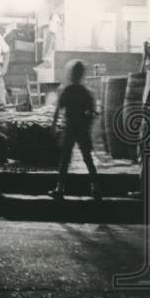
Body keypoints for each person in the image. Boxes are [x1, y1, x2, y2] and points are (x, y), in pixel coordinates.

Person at [48, 59, 101, 200]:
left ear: (71, 74)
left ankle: (60, 188)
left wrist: (53, 126)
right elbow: (92, 112)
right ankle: (96, 188)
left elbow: (58, 110)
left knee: (65, 159)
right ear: (82, 74)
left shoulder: (67, 90)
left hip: (70, 127)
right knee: (88, 158)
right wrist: (89, 124)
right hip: (82, 128)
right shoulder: (86, 92)